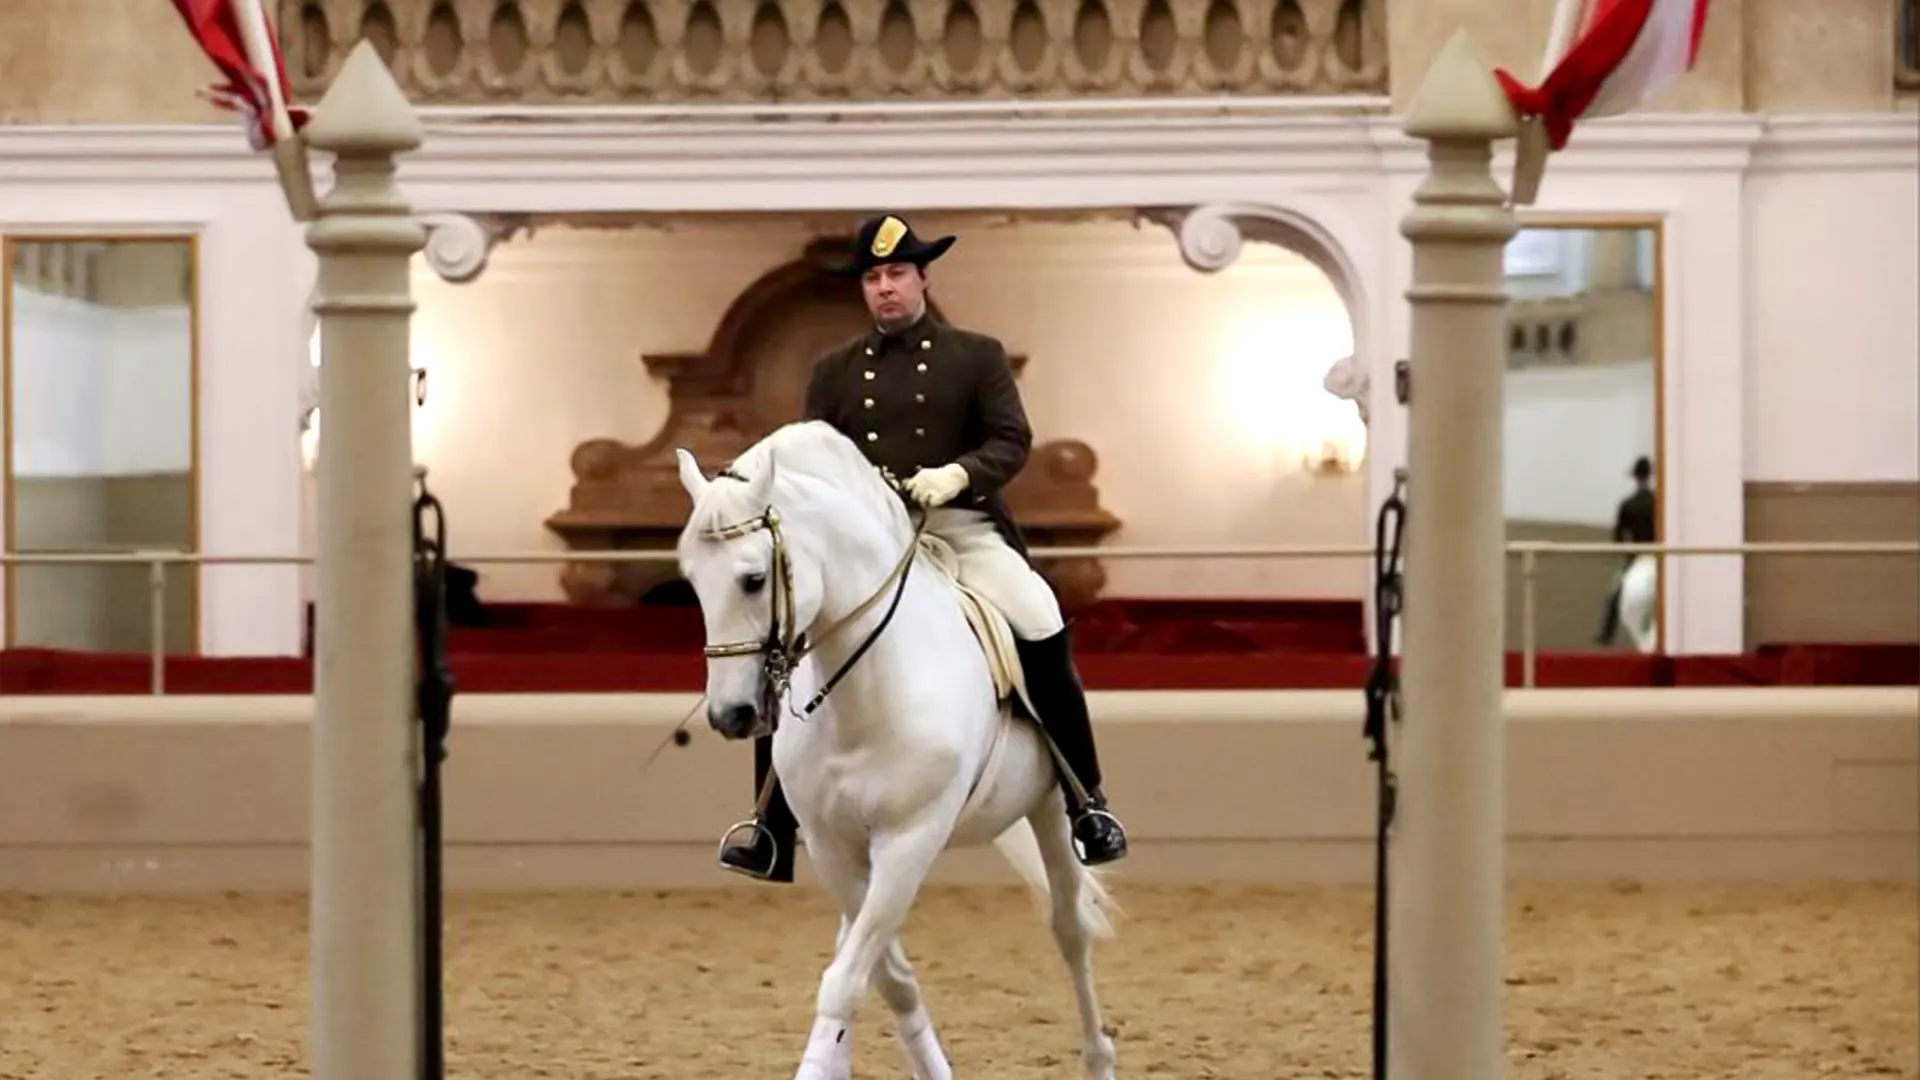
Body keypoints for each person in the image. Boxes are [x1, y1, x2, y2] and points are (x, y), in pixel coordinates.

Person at [716, 213, 1129, 882]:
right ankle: (770, 824)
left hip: (962, 530)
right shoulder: (836, 371)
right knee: (786, 640)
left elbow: (1010, 440)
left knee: (1039, 621)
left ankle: (1087, 800)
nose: (886, 288)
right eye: (874, 277)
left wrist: (957, 475)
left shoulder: (976, 355)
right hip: (874, 544)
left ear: (922, 279)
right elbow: (814, 455)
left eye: (898, 274)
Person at [1597, 455, 1657, 646]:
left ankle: (1607, 634)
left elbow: (1618, 538)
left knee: (1615, 594)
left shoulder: (1628, 505)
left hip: (1638, 557)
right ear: (1649, 476)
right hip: (1659, 556)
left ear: (1635, 477)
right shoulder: (1659, 503)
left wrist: (1629, 551)